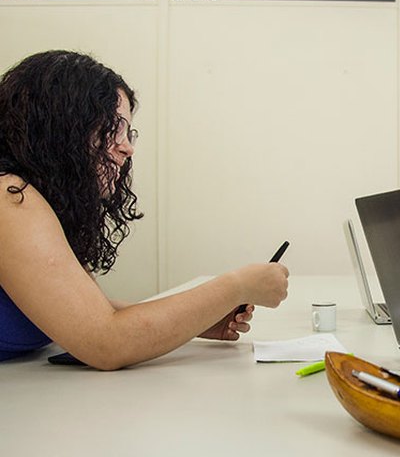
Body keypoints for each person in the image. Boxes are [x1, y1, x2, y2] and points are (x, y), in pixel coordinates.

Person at [0, 50, 289, 370]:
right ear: (62, 128)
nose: (127, 147)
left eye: (128, 131)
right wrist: (237, 286)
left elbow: (89, 309)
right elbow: (105, 341)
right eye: (113, 128)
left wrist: (197, 320)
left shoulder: (44, 201)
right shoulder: (10, 196)